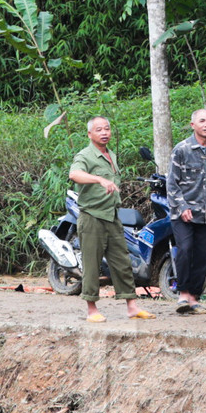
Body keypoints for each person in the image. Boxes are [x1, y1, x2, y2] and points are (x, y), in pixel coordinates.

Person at [68, 117, 154, 323]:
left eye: (107, 129)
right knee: (92, 264)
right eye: (99, 130)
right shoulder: (86, 155)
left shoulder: (111, 155)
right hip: (92, 217)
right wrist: (98, 179)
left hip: (112, 216)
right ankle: (91, 309)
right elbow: (74, 174)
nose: (104, 132)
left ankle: (132, 306)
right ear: (90, 134)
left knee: (122, 262)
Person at [167, 109, 206, 315]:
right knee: (185, 249)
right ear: (193, 125)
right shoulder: (181, 149)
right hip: (184, 213)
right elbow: (172, 184)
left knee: (202, 256)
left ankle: (193, 299)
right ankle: (182, 293)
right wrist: (182, 207)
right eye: (202, 121)